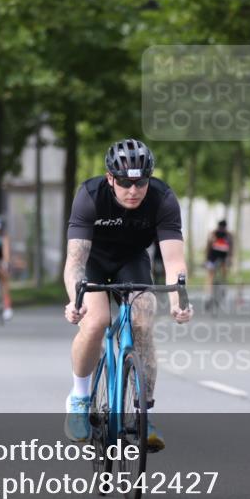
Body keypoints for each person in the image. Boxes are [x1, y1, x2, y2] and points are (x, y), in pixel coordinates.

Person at [63, 139, 193, 451]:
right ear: (110, 179)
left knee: (143, 318)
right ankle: (79, 398)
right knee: (96, 322)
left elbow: (174, 261)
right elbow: (75, 261)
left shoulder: (162, 199)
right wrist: (75, 301)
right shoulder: (90, 196)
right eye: (124, 183)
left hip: (132, 260)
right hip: (93, 260)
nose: (133, 190)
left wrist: (179, 301)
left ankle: (142, 413)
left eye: (140, 182)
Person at [204, 219, 233, 299]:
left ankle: (208, 294)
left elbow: (208, 246)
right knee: (224, 272)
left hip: (212, 256)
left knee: (210, 276)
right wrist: (230, 258)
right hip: (223, 256)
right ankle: (223, 285)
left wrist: (206, 259)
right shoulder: (228, 235)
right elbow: (231, 248)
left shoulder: (213, 233)